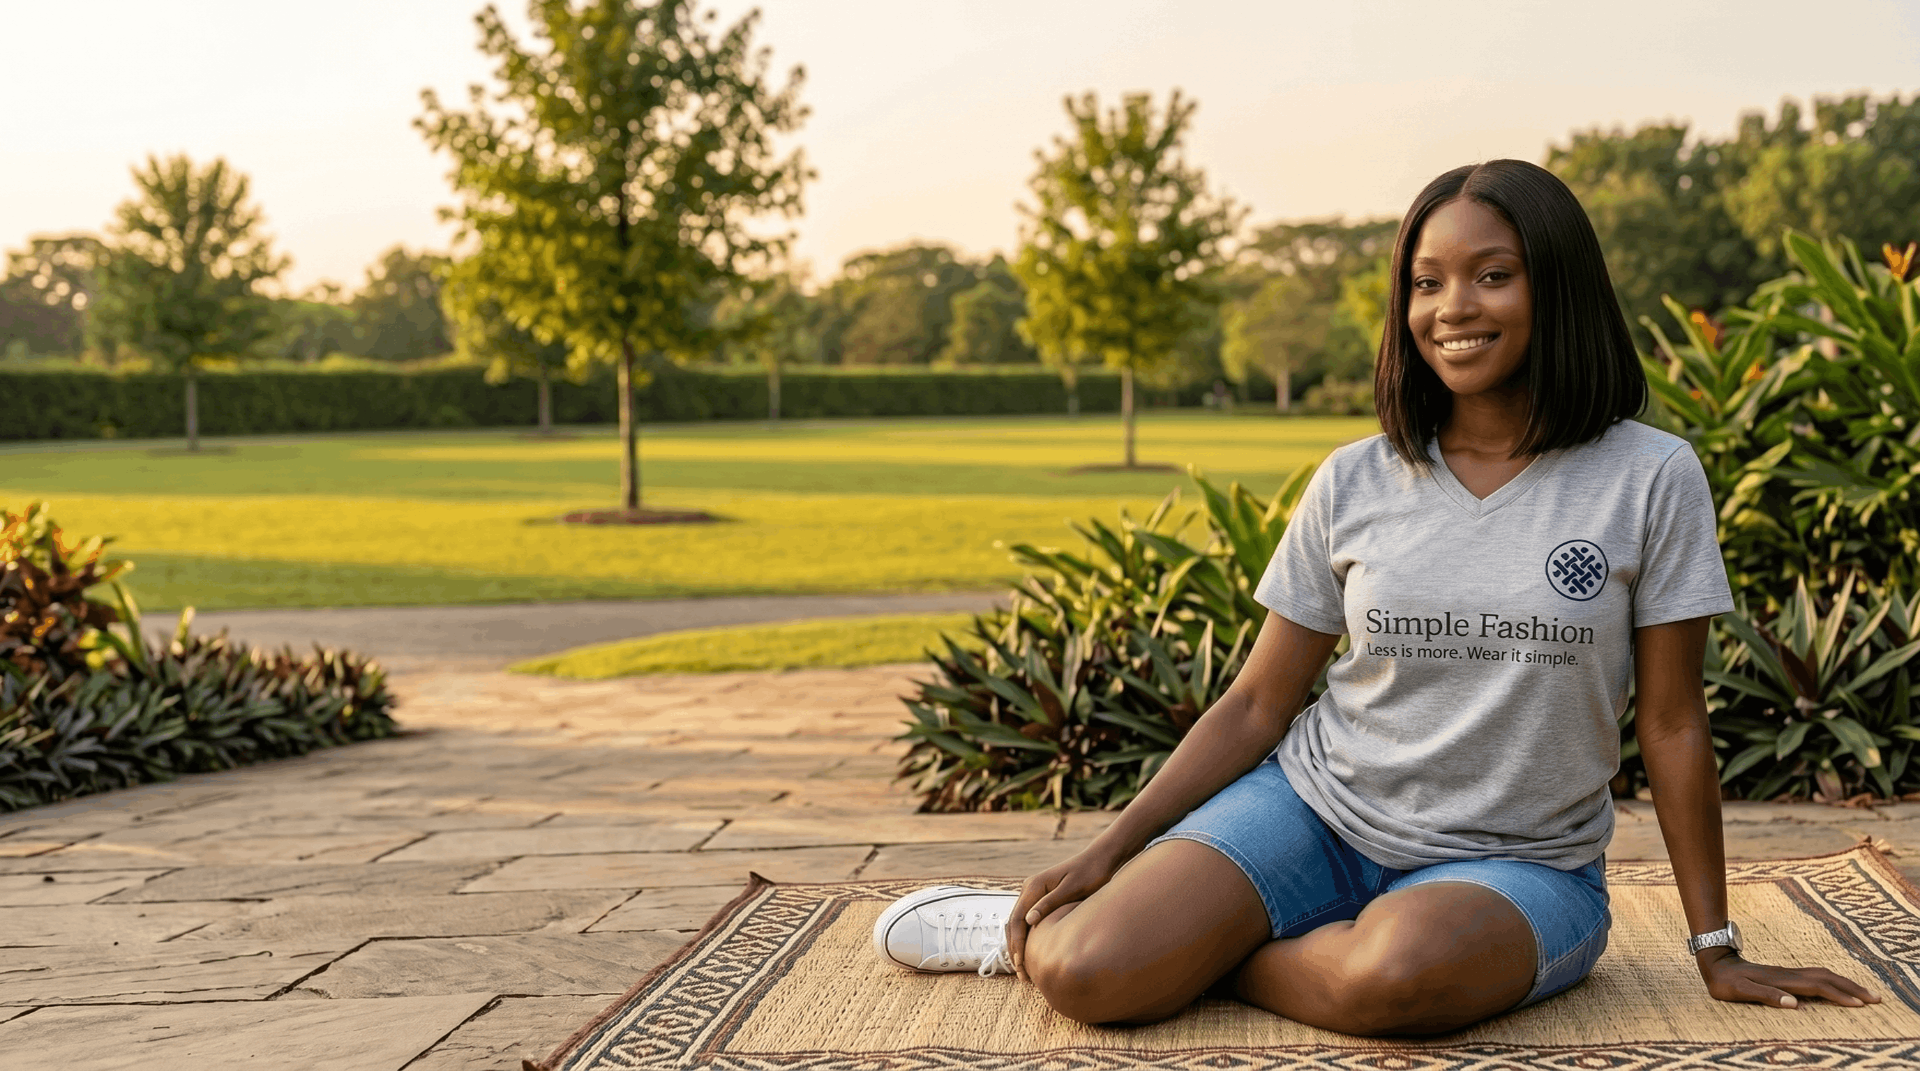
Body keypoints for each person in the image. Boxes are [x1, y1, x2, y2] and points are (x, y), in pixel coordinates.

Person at [871, 159, 1882, 1035]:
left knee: (1395, 979)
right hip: (1316, 811)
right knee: (1088, 971)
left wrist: (1715, 946)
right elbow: (1258, 703)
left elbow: (1671, 722)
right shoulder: (1356, 477)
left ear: (1559, 287)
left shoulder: (1649, 477)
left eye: (1494, 275)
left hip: (1518, 865)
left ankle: (1214, 953)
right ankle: (1073, 931)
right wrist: (1107, 852)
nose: (1453, 307)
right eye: (1427, 282)